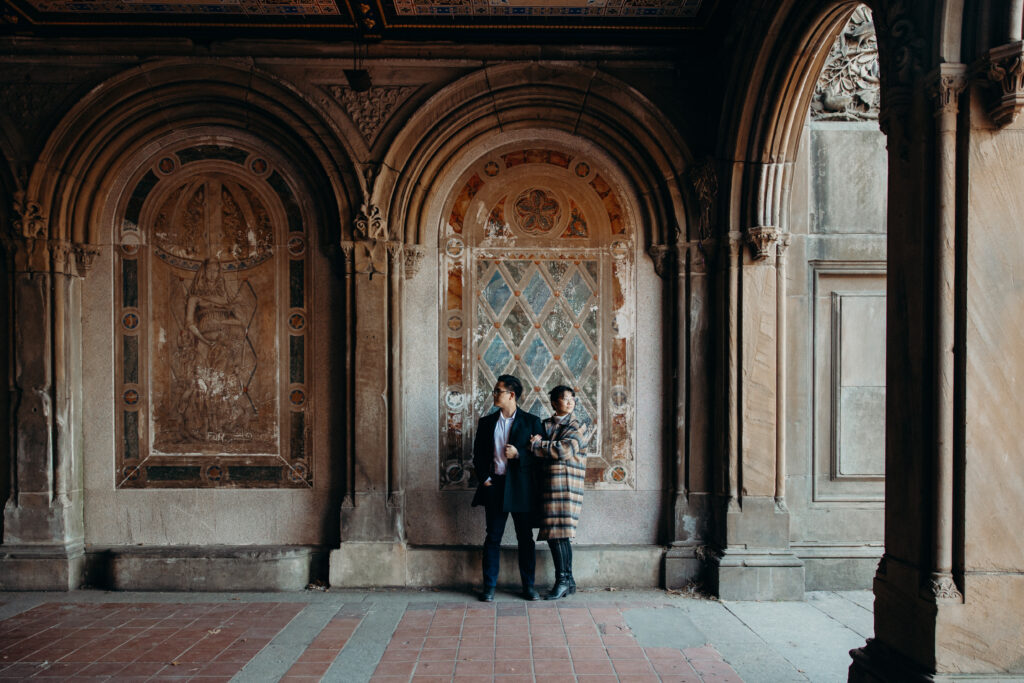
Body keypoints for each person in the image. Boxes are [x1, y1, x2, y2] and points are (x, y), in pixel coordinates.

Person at [471, 374, 545, 602]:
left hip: (521, 488)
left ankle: (528, 587)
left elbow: (539, 458)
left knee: (525, 538)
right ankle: (489, 587)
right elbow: (478, 456)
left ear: (511, 395)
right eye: (495, 391)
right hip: (495, 486)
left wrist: (519, 454)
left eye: (498, 391)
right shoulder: (486, 423)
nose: (494, 395)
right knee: (492, 538)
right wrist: (485, 479)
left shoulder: (532, 422)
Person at [530, 385, 588, 600]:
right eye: (565, 399)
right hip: (547, 486)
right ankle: (569, 582)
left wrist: (538, 446)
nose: (570, 402)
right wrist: (541, 445)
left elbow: (564, 450)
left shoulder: (578, 425)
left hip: (565, 487)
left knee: (560, 534)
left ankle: (563, 581)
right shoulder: (545, 424)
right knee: (555, 535)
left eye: (572, 399)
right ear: (554, 402)